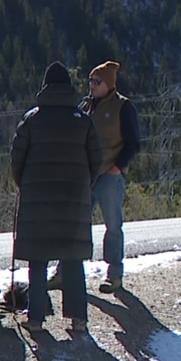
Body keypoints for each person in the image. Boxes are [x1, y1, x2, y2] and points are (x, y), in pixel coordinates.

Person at [11, 62, 104, 333]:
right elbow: (97, 159)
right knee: (72, 258)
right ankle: (78, 319)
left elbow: (17, 158)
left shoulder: (32, 119)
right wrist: (84, 184)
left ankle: (36, 318)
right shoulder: (83, 121)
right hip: (74, 199)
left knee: (38, 260)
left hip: (37, 199)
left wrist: (24, 184)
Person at [79, 60, 141, 294]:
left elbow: (134, 143)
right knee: (77, 225)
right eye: (90, 81)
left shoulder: (124, 107)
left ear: (109, 84)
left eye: (97, 82)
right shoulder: (85, 106)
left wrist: (118, 167)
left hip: (109, 176)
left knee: (113, 226)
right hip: (86, 176)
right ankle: (67, 272)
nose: (92, 85)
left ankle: (114, 274)